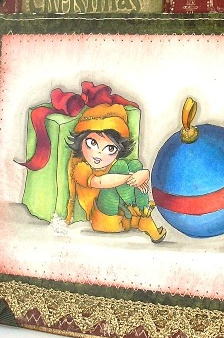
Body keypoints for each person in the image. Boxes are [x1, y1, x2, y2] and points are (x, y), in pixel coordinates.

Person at [65, 103, 166, 243]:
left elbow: (134, 173)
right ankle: (139, 210)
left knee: (135, 165)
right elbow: (99, 182)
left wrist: (144, 174)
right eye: (92, 143)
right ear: (81, 141)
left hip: (123, 214)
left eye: (110, 148)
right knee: (120, 167)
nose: (99, 153)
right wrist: (131, 178)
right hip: (104, 218)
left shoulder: (112, 164)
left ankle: (142, 214)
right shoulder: (80, 167)